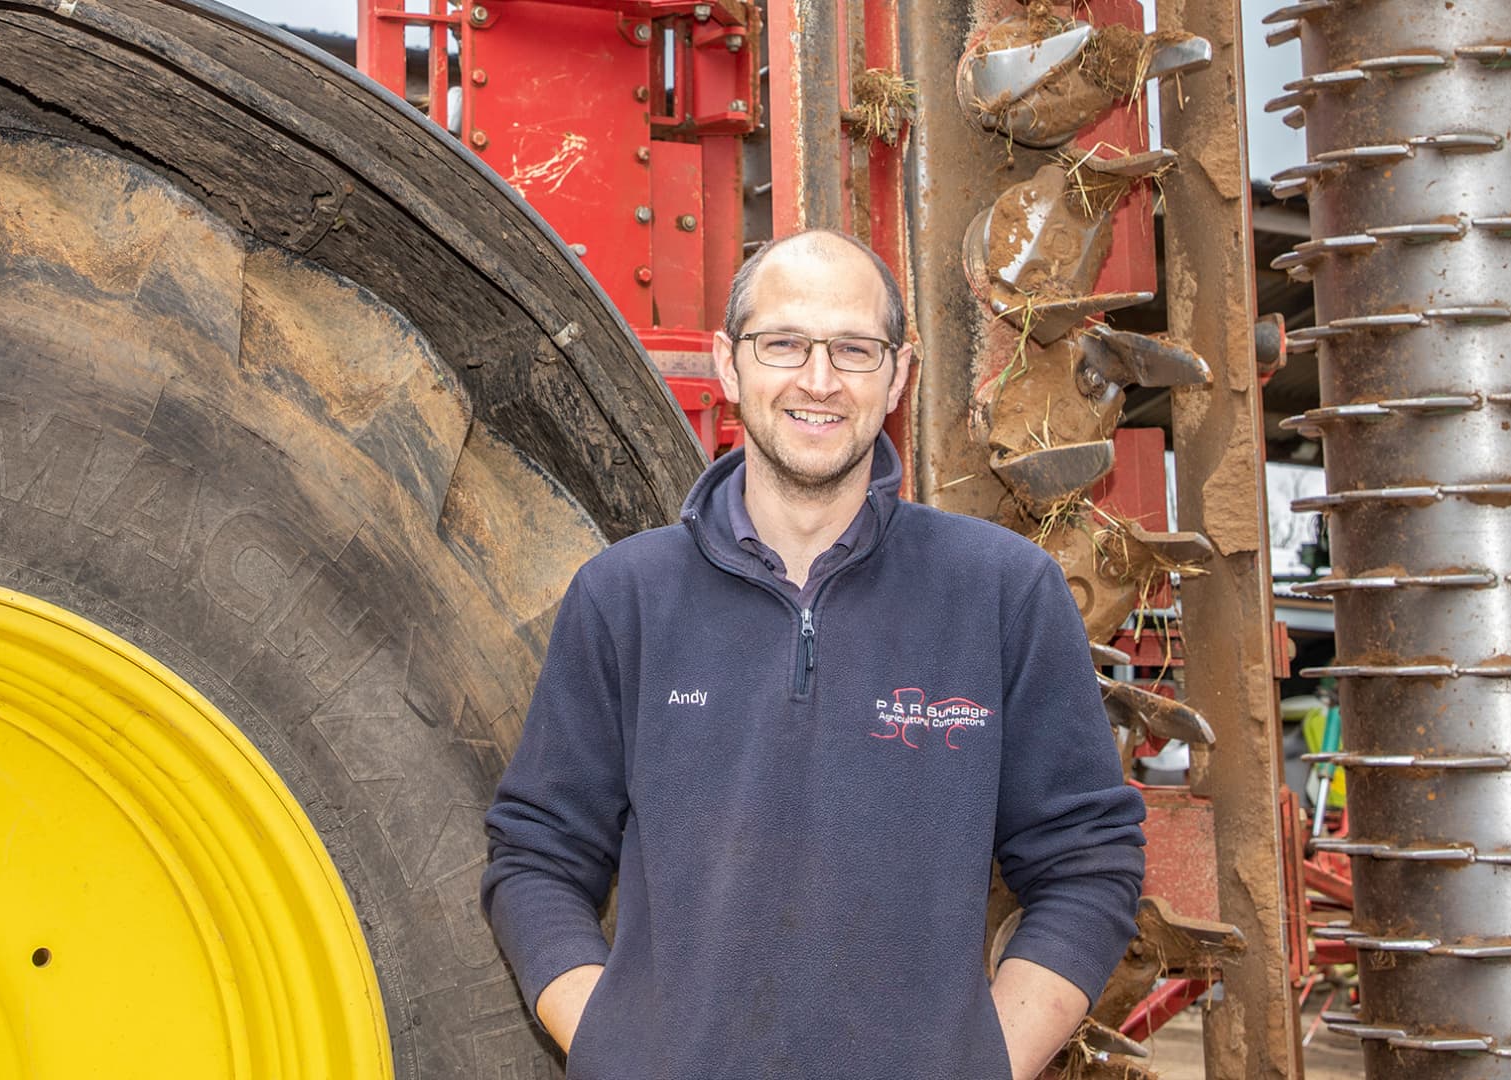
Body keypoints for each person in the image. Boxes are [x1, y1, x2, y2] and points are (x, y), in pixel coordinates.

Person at [482, 229, 1146, 1080]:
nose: (819, 379)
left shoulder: (1002, 593)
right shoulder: (625, 597)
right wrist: (616, 1046)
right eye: (783, 344)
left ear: (898, 375)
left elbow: (1088, 861)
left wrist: (982, 1063)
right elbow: (535, 852)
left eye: (854, 349)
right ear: (729, 365)